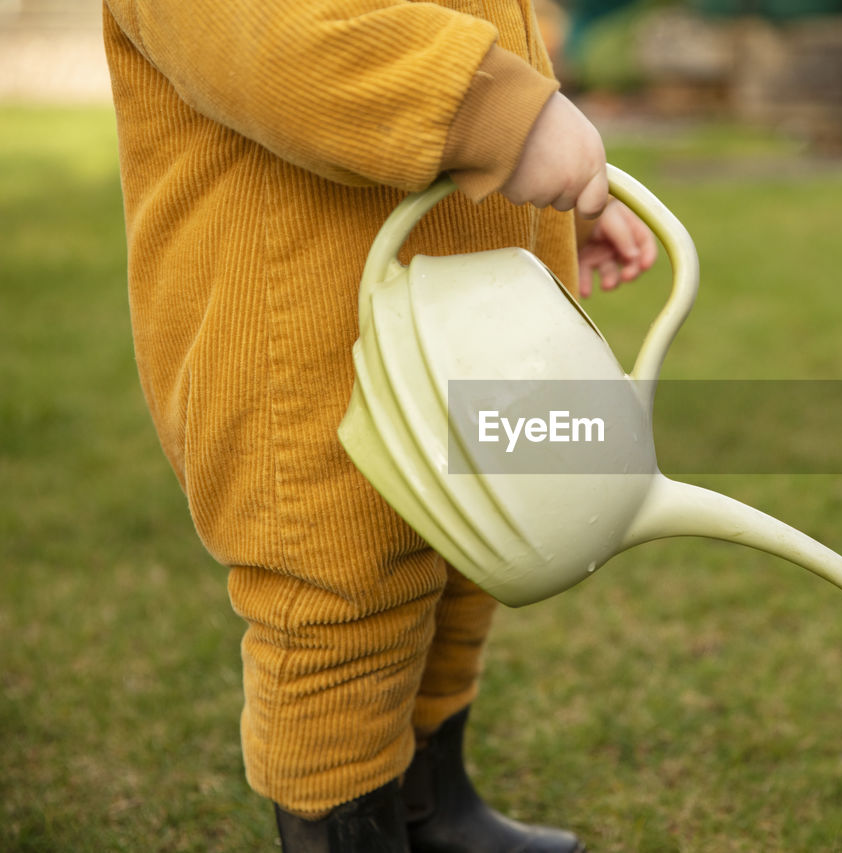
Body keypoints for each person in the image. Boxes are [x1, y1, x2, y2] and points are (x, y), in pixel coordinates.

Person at [102, 1, 657, 850]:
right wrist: (501, 114)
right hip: (309, 331)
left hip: (464, 308)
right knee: (344, 587)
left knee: (469, 551)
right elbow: (278, 35)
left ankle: (432, 803)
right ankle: (345, 827)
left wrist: (556, 200)